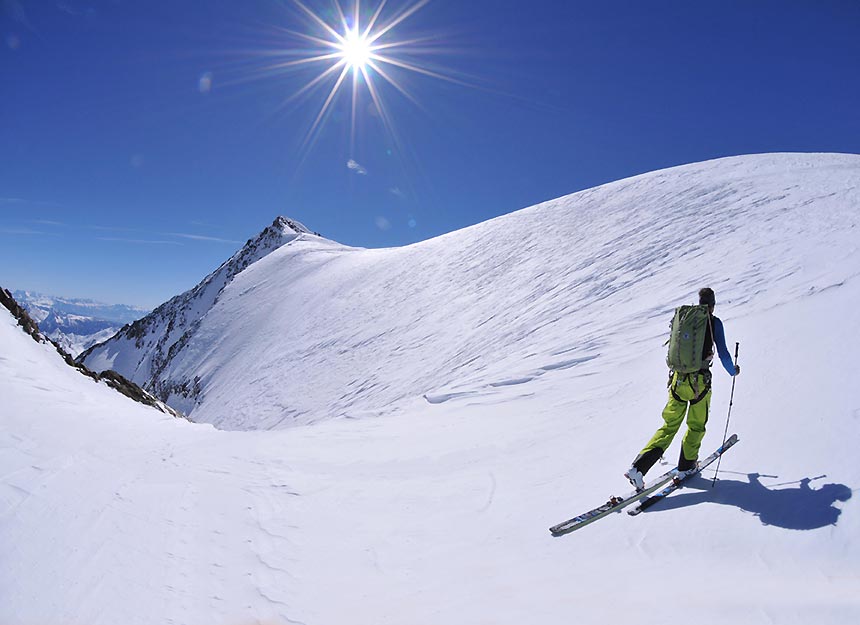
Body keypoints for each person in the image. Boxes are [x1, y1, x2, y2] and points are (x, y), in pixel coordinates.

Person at [624, 287, 740, 490]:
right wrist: (733, 371)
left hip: (677, 381)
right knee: (696, 425)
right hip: (699, 385)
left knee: (669, 427)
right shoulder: (713, 322)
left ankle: (638, 468)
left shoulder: (686, 318)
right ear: (712, 304)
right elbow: (723, 353)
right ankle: (686, 466)